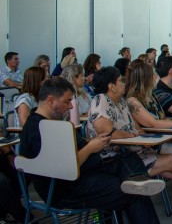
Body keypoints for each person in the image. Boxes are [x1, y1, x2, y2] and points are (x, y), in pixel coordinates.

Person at [20, 77, 163, 223]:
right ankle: (136, 183)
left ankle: (137, 179)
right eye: (67, 101)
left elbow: (77, 147)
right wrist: (90, 148)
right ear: (51, 100)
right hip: (61, 189)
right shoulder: (38, 129)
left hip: (82, 174)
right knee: (131, 192)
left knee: (127, 157)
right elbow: (61, 169)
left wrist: (96, 142)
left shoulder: (54, 123)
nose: (70, 106)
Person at [85, 66, 172, 209]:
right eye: (121, 81)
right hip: (114, 159)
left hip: (131, 152)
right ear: (111, 86)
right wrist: (133, 136)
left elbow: (136, 129)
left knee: (169, 169)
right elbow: (106, 133)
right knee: (169, 161)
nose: (124, 83)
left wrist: (143, 138)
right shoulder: (101, 100)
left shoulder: (121, 103)